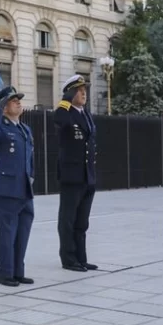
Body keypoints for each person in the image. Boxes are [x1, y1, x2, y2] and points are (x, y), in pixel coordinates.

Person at [0, 86, 35, 287]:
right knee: (7, 231)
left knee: (23, 230)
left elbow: (30, 157)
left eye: (18, 100)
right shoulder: (0, 127)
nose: (18, 103)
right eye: (13, 101)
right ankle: (5, 273)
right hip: (6, 187)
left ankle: (17, 271)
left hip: (24, 187)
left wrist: (31, 176)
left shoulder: (24, 129)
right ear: (4, 107)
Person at [53, 75, 98, 272]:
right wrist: (65, 100)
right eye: (79, 90)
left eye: (84, 90)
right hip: (71, 176)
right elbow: (58, 119)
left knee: (82, 221)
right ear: (71, 92)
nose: (83, 93)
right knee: (68, 219)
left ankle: (81, 257)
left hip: (87, 176)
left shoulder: (85, 114)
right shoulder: (65, 113)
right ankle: (68, 258)